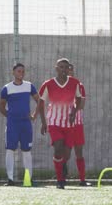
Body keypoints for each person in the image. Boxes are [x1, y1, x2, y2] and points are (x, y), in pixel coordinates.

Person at [36, 58, 82, 189]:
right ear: (56, 68)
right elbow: (41, 103)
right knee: (58, 147)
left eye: (66, 67)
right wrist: (44, 122)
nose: (63, 70)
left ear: (69, 69)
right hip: (54, 122)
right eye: (61, 67)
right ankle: (60, 180)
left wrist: (73, 111)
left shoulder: (75, 83)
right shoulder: (48, 84)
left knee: (66, 154)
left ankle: (62, 164)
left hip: (69, 123)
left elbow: (79, 99)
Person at [0, 63, 44, 186]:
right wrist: (11, 116)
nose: (21, 73)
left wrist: (34, 115)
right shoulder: (6, 88)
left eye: (23, 71)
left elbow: (39, 101)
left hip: (26, 124)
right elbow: (1, 107)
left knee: (26, 151)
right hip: (13, 125)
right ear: (13, 72)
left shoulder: (29, 86)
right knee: (10, 150)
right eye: (19, 71)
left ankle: (28, 179)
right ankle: (10, 179)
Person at [62, 63, 92, 186]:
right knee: (64, 153)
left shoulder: (79, 85)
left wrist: (72, 108)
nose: (68, 72)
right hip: (63, 124)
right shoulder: (58, 85)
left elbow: (82, 104)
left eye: (70, 69)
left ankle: (82, 180)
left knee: (79, 152)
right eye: (65, 69)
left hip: (77, 124)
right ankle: (61, 178)